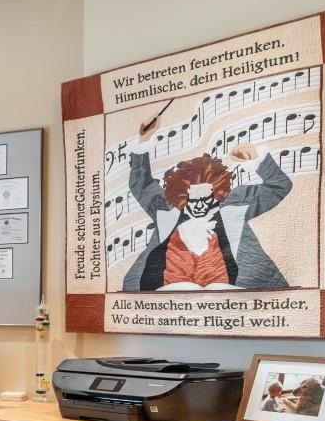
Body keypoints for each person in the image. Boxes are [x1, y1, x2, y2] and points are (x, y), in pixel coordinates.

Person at [121, 115, 293, 291]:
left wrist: (256, 158)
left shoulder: (235, 202)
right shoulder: (165, 208)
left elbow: (279, 186)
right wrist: (144, 141)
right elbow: (142, 185)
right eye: (193, 201)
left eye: (206, 200)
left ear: (216, 193)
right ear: (181, 196)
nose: (200, 206)